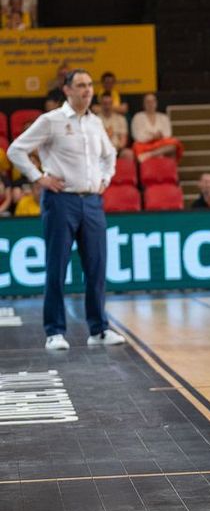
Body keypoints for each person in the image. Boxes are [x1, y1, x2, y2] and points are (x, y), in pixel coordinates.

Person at [6, 69, 126, 351]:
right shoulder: (51, 121)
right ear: (67, 90)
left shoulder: (95, 122)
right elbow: (15, 150)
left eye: (90, 85)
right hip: (61, 201)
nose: (87, 90)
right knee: (57, 266)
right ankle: (54, 332)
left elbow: (110, 155)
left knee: (96, 267)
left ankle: (99, 329)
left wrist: (105, 179)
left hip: (92, 202)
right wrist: (39, 178)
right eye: (81, 85)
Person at [131, 92, 185, 162]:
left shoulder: (164, 117)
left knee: (174, 143)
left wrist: (156, 135)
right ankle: (155, 154)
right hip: (144, 145)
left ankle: (151, 154)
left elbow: (168, 134)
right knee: (136, 146)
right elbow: (138, 136)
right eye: (148, 102)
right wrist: (152, 136)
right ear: (144, 104)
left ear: (156, 102)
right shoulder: (138, 117)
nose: (150, 104)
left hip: (161, 144)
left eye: (153, 101)